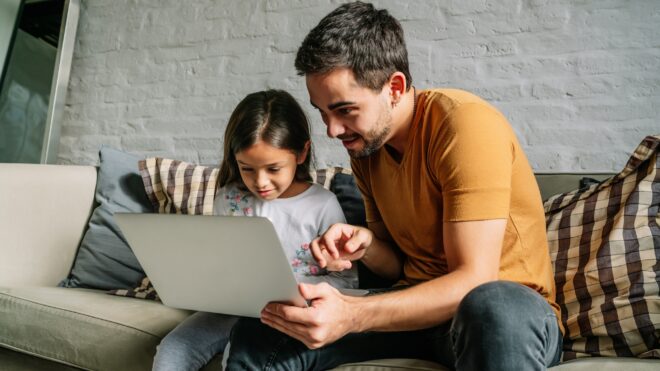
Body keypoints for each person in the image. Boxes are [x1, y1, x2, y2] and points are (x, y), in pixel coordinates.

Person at [225, 2, 563, 371]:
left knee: (493, 304)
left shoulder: (464, 125)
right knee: (269, 325)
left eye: (345, 110)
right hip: (414, 313)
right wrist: (365, 245)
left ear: (395, 88)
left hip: (504, 318)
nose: (332, 131)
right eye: (322, 112)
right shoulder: (366, 149)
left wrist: (352, 314)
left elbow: (473, 280)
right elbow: (397, 268)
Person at [152, 89, 358, 371]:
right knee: (174, 348)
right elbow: (218, 261)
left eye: (273, 169)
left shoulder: (322, 205)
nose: (260, 182)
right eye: (247, 169)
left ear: (301, 153)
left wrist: (301, 291)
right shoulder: (229, 197)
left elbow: (348, 283)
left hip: (287, 315)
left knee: (241, 354)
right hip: (231, 308)